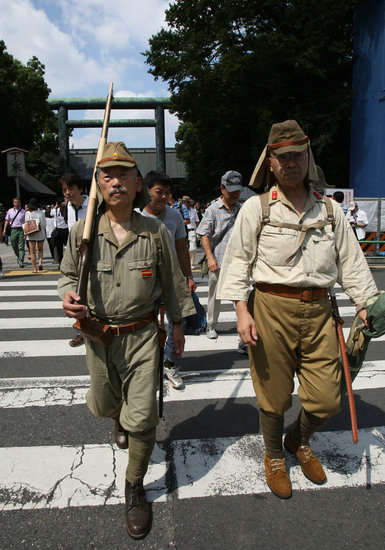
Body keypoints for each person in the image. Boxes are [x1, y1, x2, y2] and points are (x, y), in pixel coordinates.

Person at [217, 120, 378, 499]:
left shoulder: (330, 211)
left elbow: (351, 261)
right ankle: (274, 454)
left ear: (308, 158)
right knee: (273, 395)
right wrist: (242, 310)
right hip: (270, 308)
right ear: (270, 162)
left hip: (321, 311)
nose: (290, 163)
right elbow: (238, 261)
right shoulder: (257, 209)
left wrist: (366, 304)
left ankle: (297, 438)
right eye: (282, 157)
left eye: (297, 155)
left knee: (327, 398)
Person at [58, 142, 194, 539]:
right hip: (98, 337)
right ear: (98, 185)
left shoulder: (153, 232)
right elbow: (66, 275)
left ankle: (134, 486)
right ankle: (118, 414)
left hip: (142, 337)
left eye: (123, 175)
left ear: (137, 184)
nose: (115, 182)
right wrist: (67, 296)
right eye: (107, 175)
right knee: (103, 404)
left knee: (144, 418)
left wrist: (180, 325)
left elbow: (171, 281)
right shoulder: (83, 234)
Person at [141, 171, 197, 390]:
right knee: (146, 322)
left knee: (178, 321)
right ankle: (149, 363)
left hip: (172, 279)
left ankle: (170, 362)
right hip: (145, 281)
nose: (163, 197)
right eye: (158, 192)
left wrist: (188, 276)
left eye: (167, 193)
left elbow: (182, 249)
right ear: (146, 191)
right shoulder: (137, 216)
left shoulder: (174, 216)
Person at [196, 170, 242, 340]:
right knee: (214, 295)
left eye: (238, 190)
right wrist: (210, 257)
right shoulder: (213, 209)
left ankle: (242, 326)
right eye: (232, 190)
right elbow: (204, 234)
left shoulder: (242, 209)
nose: (235, 194)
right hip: (218, 259)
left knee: (239, 294)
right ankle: (211, 325)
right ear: (222, 189)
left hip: (237, 260)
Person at [61, 173, 89, 347]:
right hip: (75, 256)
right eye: (64, 189)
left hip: (92, 255)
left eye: (70, 188)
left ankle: (87, 329)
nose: (67, 193)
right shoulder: (68, 208)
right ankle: (82, 330)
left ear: (80, 189)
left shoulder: (93, 205)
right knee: (77, 293)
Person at [24, 198, 46, 273]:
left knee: (32, 251)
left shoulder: (27, 213)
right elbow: (44, 225)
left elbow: (26, 224)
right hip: (40, 234)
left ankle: (34, 268)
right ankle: (40, 263)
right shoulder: (41, 213)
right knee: (40, 249)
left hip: (31, 234)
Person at [2, 197, 26, 268]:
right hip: (13, 230)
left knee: (21, 246)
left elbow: (26, 222)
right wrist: (4, 230)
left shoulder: (23, 211)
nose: (16, 204)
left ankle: (21, 261)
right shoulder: (10, 211)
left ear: (20, 203)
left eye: (18, 202)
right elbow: (7, 220)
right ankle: (18, 256)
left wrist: (26, 232)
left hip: (21, 229)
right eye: (15, 202)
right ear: (13, 203)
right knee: (13, 244)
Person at [182, 196, 200, 267]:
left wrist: (198, 232)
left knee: (193, 248)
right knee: (183, 248)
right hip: (183, 231)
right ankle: (186, 263)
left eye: (185, 202)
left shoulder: (194, 211)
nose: (184, 204)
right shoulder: (180, 211)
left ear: (188, 203)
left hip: (192, 231)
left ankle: (191, 263)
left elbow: (197, 222)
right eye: (183, 202)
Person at [50, 197, 68, 266]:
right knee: (67, 246)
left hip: (58, 230)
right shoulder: (67, 209)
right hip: (66, 230)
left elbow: (51, 213)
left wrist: (56, 206)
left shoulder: (55, 210)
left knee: (59, 248)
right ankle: (67, 261)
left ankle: (61, 263)